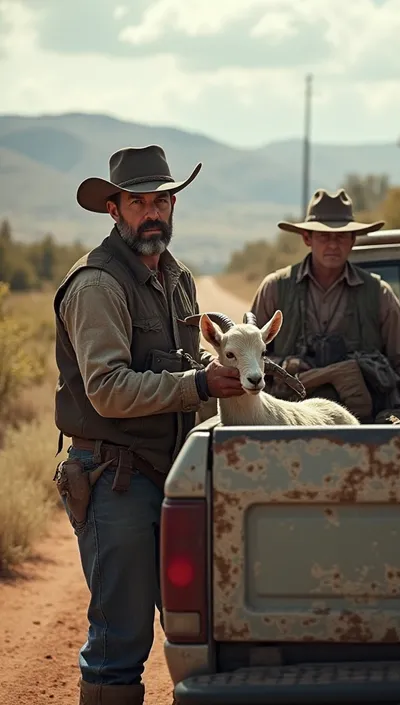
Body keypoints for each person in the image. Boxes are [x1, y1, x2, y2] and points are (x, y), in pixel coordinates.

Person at [53, 144, 244, 705]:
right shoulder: (96, 284)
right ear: (114, 210)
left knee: (203, 628)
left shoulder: (176, 276)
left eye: (161, 199)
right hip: (115, 477)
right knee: (120, 644)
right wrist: (200, 385)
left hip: (173, 473)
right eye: (138, 201)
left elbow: (189, 366)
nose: (152, 212)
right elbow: (108, 389)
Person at [250, 188, 400, 423]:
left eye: (341, 237)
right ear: (307, 238)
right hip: (290, 421)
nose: (333, 245)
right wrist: (288, 365)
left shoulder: (378, 293)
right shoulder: (274, 288)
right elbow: (248, 358)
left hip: (364, 420)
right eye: (324, 236)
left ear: (352, 240)